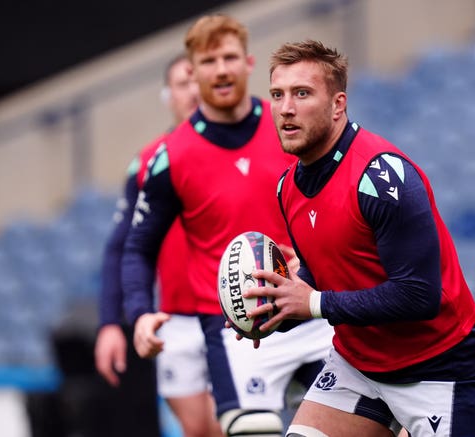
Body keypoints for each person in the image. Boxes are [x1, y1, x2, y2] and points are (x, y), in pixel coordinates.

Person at [242, 40, 475, 437]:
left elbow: (418, 296)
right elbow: (325, 277)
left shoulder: (383, 177)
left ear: (338, 104)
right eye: (278, 95)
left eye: (302, 93)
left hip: (438, 369)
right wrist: (273, 312)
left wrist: (312, 303)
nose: (286, 108)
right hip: (357, 365)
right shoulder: (287, 187)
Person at [121, 15, 333, 437]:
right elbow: (137, 247)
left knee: (372, 426)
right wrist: (139, 313)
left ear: (248, 62)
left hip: (308, 310)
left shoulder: (290, 126)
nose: (221, 69)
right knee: (252, 431)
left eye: (230, 57)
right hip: (235, 331)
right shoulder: (170, 156)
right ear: (192, 71)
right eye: (209, 60)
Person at [95, 53, 223, 437]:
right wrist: (109, 325)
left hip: (233, 317)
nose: (192, 92)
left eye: (196, 81)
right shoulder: (150, 161)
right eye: (182, 84)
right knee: (197, 430)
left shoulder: (241, 149)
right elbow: (120, 247)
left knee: (229, 425)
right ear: (168, 96)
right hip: (175, 320)